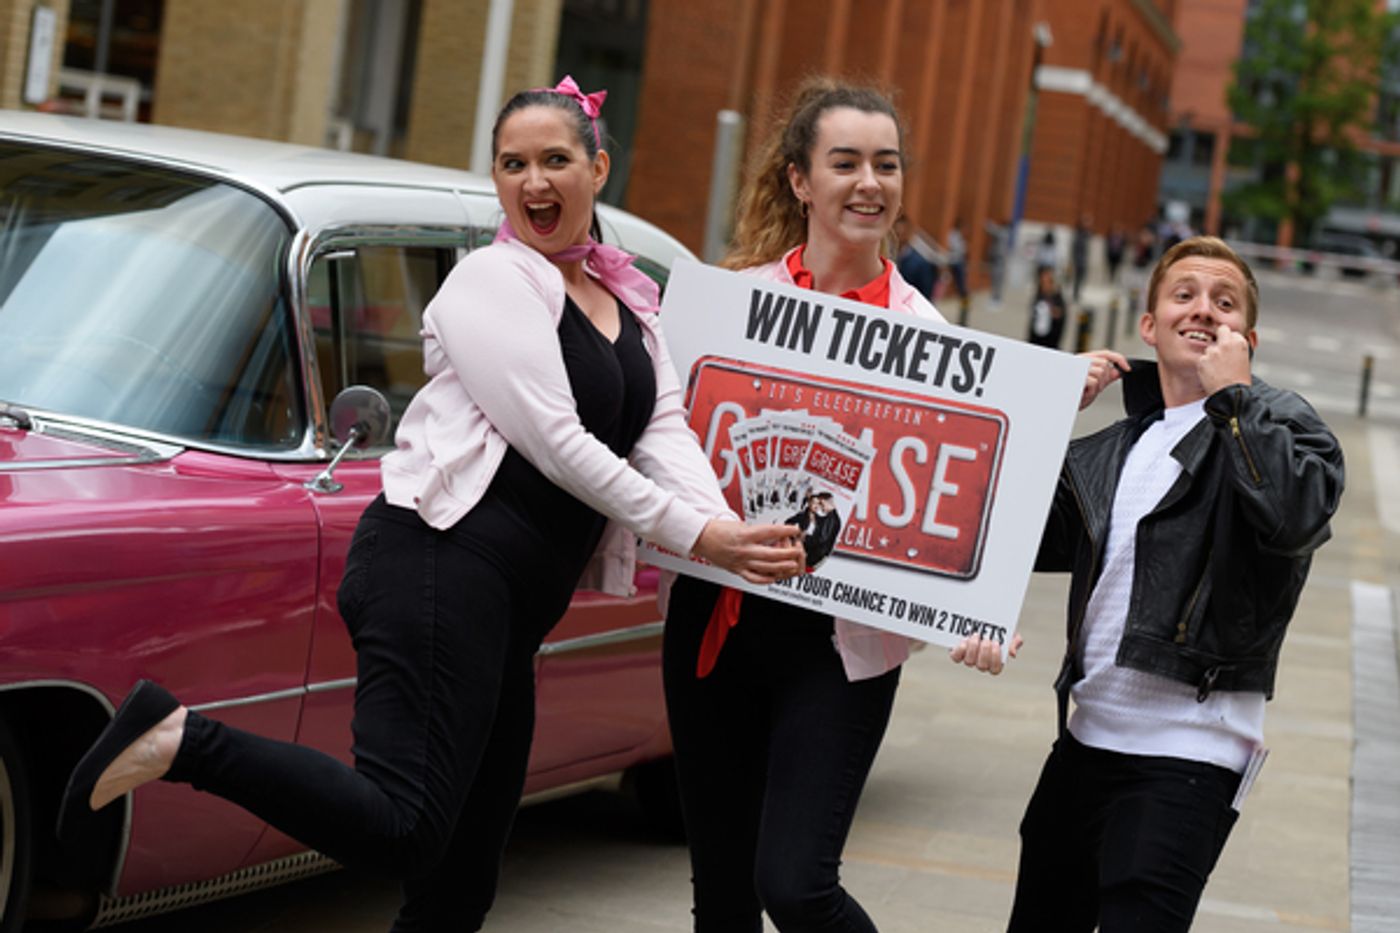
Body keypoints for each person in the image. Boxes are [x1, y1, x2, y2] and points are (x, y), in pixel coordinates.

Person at [57, 77, 805, 933]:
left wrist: (730, 532)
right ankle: (182, 738)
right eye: (512, 164)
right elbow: (559, 445)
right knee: (406, 827)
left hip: (506, 614)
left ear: (599, 167)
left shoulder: (630, 306)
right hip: (436, 565)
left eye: (556, 160)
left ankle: (189, 742)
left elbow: (663, 431)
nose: (533, 182)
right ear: (495, 179)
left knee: (456, 889)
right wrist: (702, 532)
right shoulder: (489, 281)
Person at [663, 77, 1015, 933]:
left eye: (886, 165)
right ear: (799, 180)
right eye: (846, 162)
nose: (870, 183)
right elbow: (664, 447)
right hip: (717, 618)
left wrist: (978, 610)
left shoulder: (932, 338)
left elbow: (965, 506)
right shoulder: (727, 304)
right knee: (721, 897)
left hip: (837, 646)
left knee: (795, 884)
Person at [1006, 236, 1344, 932]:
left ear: (1247, 339)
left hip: (1189, 751)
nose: (1203, 310)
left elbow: (1294, 515)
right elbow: (1004, 534)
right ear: (1148, 326)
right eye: (1183, 294)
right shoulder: (1113, 449)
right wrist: (1042, 412)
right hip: (1085, 739)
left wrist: (1234, 399)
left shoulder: (1280, 423)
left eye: (1225, 302)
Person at [784, 491, 840, 570]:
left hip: (813, 555)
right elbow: (788, 523)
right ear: (809, 503)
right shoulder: (803, 516)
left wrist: (804, 537)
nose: (818, 506)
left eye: (820, 504)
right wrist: (795, 536)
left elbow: (821, 539)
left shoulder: (827, 519)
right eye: (815, 503)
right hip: (801, 550)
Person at [893, 214, 937, 300]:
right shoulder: (885, 258)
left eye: (901, 234)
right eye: (896, 234)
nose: (898, 239)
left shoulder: (920, 263)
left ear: (908, 233)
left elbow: (925, 296)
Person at [1027, 265, 1067, 349]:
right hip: (1035, 341)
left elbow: (1060, 315)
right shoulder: (1039, 296)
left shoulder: (1057, 298)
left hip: (1050, 343)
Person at [1070, 215, 1092, 302]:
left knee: (1081, 278)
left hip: (1083, 260)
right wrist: (1074, 260)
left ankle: (1078, 293)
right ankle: (1075, 294)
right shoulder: (1079, 234)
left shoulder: (1086, 234)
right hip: (1079, 260)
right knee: (1077, 278)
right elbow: (1075, 248)